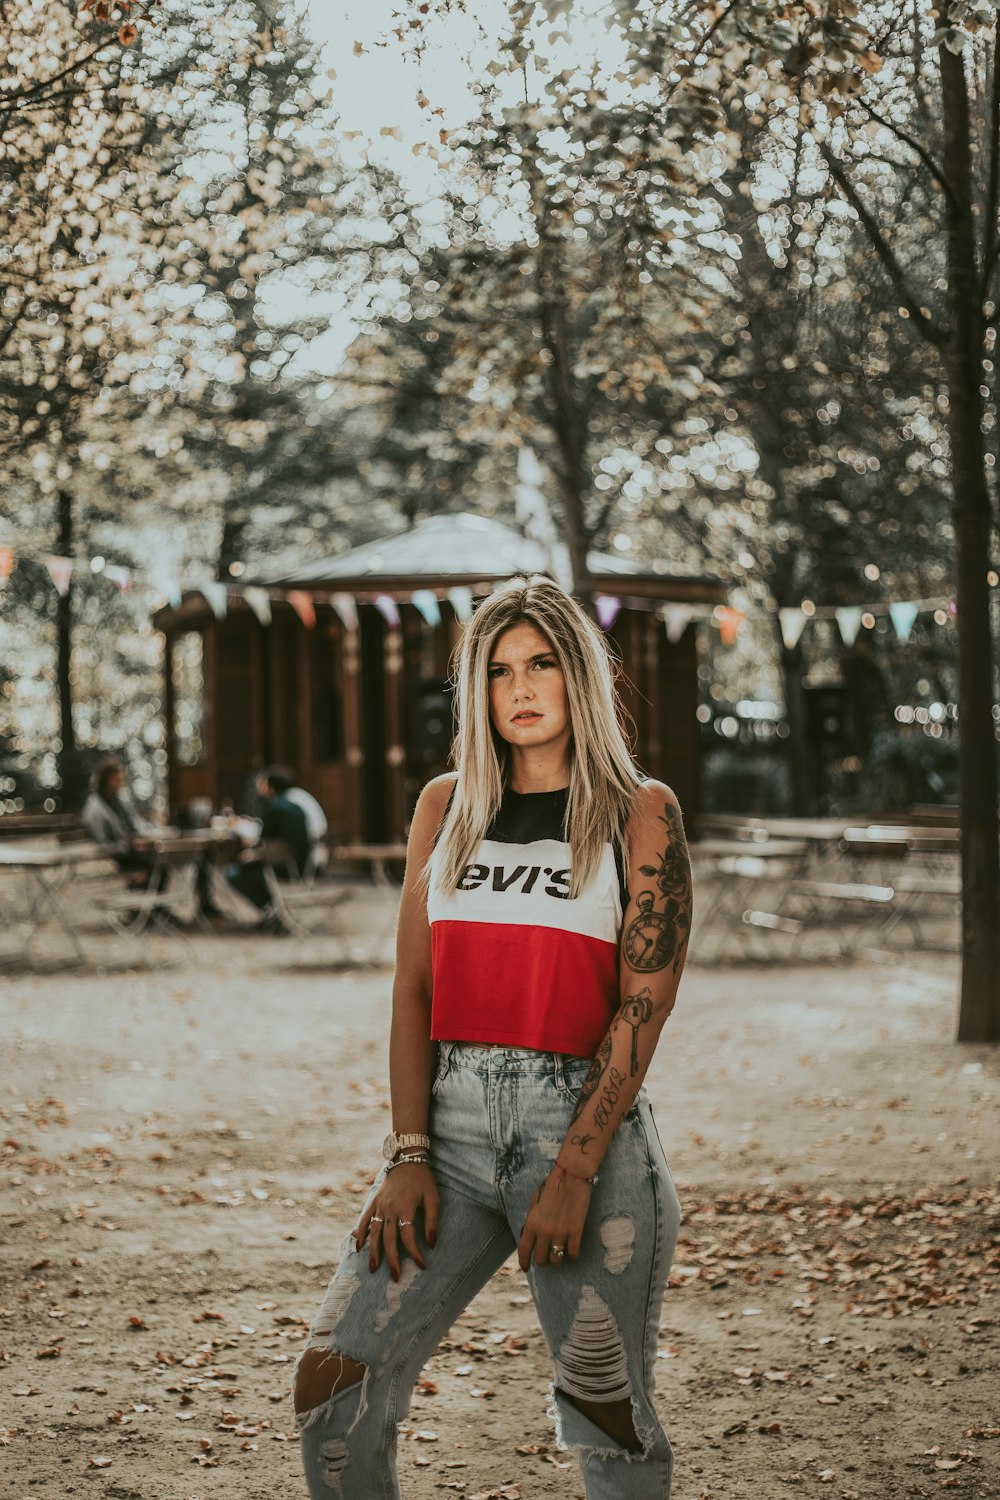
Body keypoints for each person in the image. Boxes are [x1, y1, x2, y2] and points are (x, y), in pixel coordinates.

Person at [293, 575, 693, 1498]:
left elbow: (644, 1007)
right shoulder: (446, 807)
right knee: (332, 1390)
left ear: (579, 676)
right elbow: (413, 990)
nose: (519, 688)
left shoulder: (642, 813)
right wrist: (407, 1152)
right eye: (498, 669)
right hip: (449, 1136)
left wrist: (574, 1172)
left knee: (606, 1421)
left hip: (586, 1137)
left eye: (542, 663)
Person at [226, 765, 309, 925]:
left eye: (262, 782)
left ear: (271, 785)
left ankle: (270, 909)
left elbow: (264, 841)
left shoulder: (274, 807)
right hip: (298, 864)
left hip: (279, 865)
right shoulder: (296, 806)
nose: (259, 786)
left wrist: (250, 851)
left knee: (233, 873)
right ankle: (273, 910)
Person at [81, 757, 162, 891]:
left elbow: (135, 823)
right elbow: (102, 842)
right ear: (107, 778)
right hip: (121, 853)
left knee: (162, 857)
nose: (121, 782)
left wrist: (146, 836)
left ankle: (150, 905)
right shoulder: (95, 806)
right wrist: (129, 845)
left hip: (133, 848)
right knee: (155, 861)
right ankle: (145, 904)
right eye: (118, 779)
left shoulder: (119, 799)